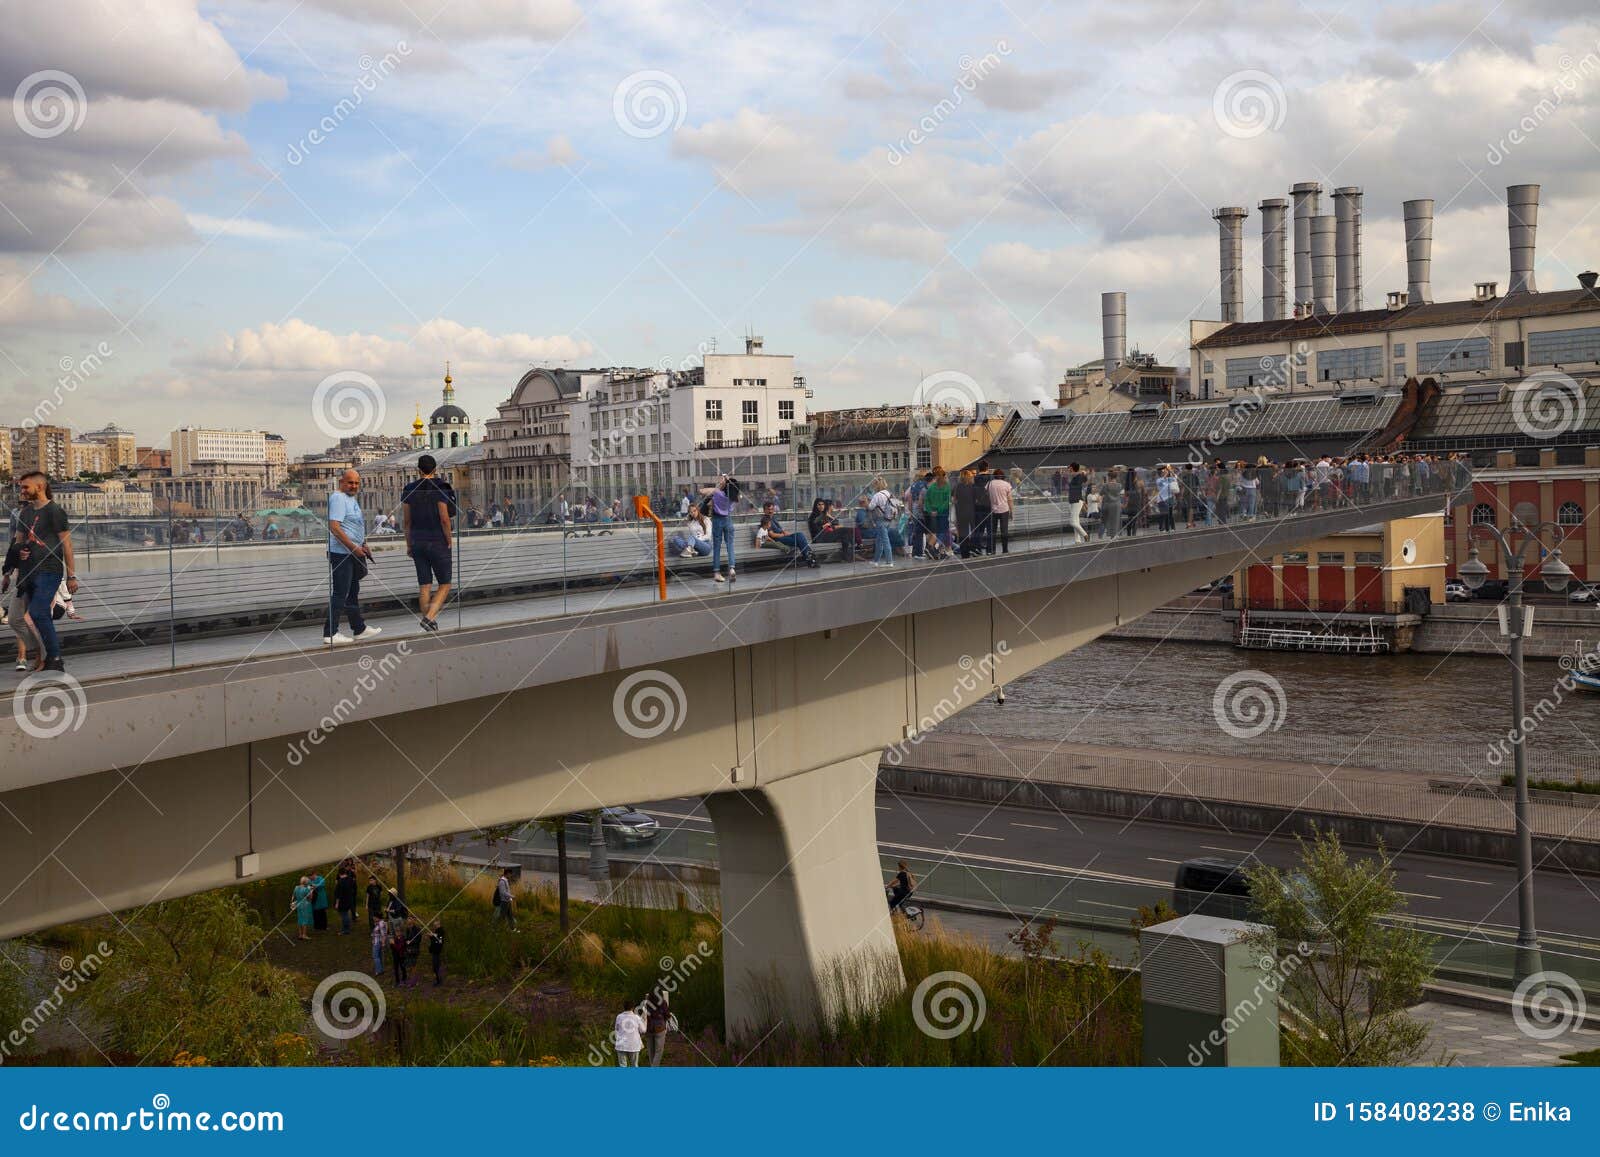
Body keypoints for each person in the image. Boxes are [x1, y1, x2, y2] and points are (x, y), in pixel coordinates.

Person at [13, 471, 77, 672]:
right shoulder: (25, 513)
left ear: (39, 487)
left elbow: (66, 544)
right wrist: (12, 567)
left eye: (25, 487)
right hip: (28, 572)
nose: (22, 491)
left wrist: (71, 576)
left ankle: (55, 658)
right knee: (29, 616)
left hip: (49, 570)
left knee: (38, 611)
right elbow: (18, 542)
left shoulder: (54, 511)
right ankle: (45, 656)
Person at [325, 469, 380, 646]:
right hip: (342, 554)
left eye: (356, 483)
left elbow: (352, 525)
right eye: (350, 482)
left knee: (352, 592)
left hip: (352, 552)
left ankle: (359, 629)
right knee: (340, 593)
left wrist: (363, 544)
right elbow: (334, 527)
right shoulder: (338, 498)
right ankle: (330, 633)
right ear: (341, 482)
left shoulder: (350, 498)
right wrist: (353, 547)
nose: (354, 486)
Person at [401, 453, 455, 633]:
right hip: (437, 541)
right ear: (435, 469)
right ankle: (429, 618)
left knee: (424, 584)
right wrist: (448, 538)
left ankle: (429, 622)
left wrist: (409, 544)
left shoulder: (409, 489)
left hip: (417, 542)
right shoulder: (441, 487)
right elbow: (444, 518)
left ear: (418, 470)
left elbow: (407, 521)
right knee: (445, 584)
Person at [698, 475, 739, 583]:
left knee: (717, 547)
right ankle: (732, 568)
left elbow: (701, 491)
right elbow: (732, 489)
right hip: (728, 520)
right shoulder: (734, 497)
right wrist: (727, 482)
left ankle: (717, 572)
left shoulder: (718, 492)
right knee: (730, 545)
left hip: (717, 520)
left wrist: (721, 485)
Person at [759, 499, 819, 567]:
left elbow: (780, 529)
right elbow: (771, 534)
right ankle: (810, 558)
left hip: (783, 536)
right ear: (764, 510)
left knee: (800, 535)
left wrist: (785, 533)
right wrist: (783, 534)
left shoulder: (773, 518)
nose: (770, 511)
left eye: (772, 509)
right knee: (800, 540)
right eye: (768, 509)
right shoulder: (765, 520)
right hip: (778, 540)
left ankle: (809, 558)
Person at [867, 478, 896, 567]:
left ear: (876, 486)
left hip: (881, 519)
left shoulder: (877, 495)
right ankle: (876, 561)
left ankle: (889, 561)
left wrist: (867, 502)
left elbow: (870, 507)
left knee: (885, 540)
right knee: (879, 540)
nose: (873, 487)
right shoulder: (889, 493)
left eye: (874, 485)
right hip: (889, 519)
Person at [924, 467, 952, 552]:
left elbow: (927, 501)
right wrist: (939, 510)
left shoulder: (931, 487)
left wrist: (930, 511)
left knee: (935, 531)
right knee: (942, 531)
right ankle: (934, 546)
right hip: (942, 513)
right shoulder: (947, 487)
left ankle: (936, 548)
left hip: (932, 513)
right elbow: (947, 501)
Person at [985, 468, 1013, 554]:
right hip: (1004, 510)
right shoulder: (1007, 484)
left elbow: (987, 496)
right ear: (1002, 475)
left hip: (993, 510)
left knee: (993, 531)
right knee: (1004, 531)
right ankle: (1005, 549)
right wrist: (1011, 511)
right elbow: (1010, 499)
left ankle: (993, 550)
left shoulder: (989, 484)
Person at [612, 1000, 646, 1067]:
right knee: (634, 1065)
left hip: (621, 1045)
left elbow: (616, 1029)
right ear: (633, 1008)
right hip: (633, 1045)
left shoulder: (619, 1017)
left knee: (622, 1065)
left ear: (623, 1007)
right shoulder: (636, 1017)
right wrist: (645, 1020)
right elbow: (643, 1030)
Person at [644, 988, 670, 1067]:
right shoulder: (663, 1003)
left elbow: (645, 1015)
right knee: (659, 1051)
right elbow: (667, 1015)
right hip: (660, 1028)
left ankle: (653, 1066)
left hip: (649, 1028)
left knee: (651, 1051)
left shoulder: (646, 1003)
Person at [1065, 463, 1089, 543]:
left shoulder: (1078, 476)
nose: (1068, 470)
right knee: (1076, 521)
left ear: (1072, 468)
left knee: (1072, 522)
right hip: (1073, 500)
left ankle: (1085, 535)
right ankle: (1077, 540)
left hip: (1077, 500)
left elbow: (1084, 479)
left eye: (1070, 468)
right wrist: (1082, 473)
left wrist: (1083, 473)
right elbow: (1083, 478)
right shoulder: (1077, 475)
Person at [334, 866, 358, 934]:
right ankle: (347, 928)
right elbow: (354, 888)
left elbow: (338, 894)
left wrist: (337, 903)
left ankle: (345, 930)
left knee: (344, 915)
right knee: (346, 914)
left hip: (342, 901)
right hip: (349, 899)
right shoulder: (350, 879)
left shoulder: (340, 882)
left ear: (339, 874)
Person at [291, 876, 314, 941]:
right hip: (305, 905)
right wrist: (311, 891)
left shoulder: (296, 887)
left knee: (300, 919)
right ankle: (304, 935)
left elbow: (293, 896)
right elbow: (310, 898)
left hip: (298, 904)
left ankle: (300, 934)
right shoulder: (306, 889)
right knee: (305, 920)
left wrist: (293, 903)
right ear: (306, 882)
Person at [390, 919, 409, 987]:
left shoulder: (403, 938)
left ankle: (404, 979)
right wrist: (391, 944)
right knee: (396, 969)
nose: (397, 933)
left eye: (398, 931)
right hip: (395, 956)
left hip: (401, 955)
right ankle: (397, 981)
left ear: (401, 932)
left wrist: (393, 943)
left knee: (402, 967)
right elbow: (392, 948)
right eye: (396, 931)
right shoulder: (395, 938)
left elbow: (399, 947)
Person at [428, 922, 445, 986]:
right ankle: (438, 980)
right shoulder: (436, 931)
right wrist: (431, 936)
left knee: (437, 966)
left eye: (437, 925)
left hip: (437, 951)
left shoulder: (441, 931)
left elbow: (440, 939)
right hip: (434, 951)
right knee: (435, 967)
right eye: (434, 925)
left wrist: (434, 935)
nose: (435, 926)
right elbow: (434, 940)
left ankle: (439, 981)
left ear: (439, 924)